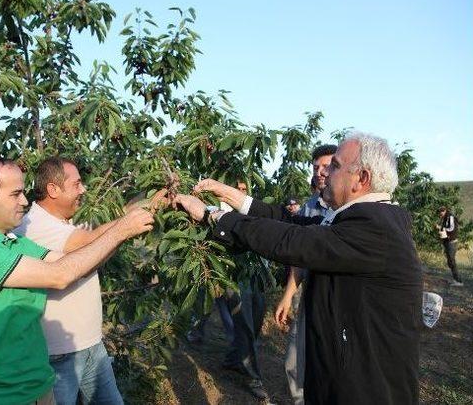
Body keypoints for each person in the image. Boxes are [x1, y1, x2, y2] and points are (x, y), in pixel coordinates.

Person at [175, 132, 422, 404]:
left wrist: (213, 216)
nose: (325, 173)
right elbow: (289, 223)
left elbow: (292, 241)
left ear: (361, 179)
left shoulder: (373, 228)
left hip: (366, 389)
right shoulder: (361, 220)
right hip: (347, 375)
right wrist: (228, 195)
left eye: (336, 166)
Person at [0, 157, 154, 404]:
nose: (24, 201)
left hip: (38, 388)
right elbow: (60, 275)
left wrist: (122, 232)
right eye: (16, 194)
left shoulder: (16, 243)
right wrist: (121, 230)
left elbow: (72, 264)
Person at [15, 157, 165, 404]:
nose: (83, 189)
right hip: (58, 354)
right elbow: (91, 244)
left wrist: (151, 204)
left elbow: (100, 234)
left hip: (90, 345)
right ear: (53, 189)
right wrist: (126, 228)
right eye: (77, 184)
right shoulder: (35, 225)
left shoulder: (63, 220)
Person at [186, 180, 269, 400]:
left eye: (243, 189)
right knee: (244, 324)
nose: (240, 192)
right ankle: (253, 376)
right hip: (231, 276)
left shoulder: (250, 209)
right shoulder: (215, 210)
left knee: (257, 317)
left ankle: (234, 359)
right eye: (237, 188)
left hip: (252, 273)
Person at [275, 144, 336, 404]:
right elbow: (300, 257)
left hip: (337, 299)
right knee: (295, 360)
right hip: (309, 293)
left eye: (327, 166)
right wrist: (288, 295)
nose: (320, 172)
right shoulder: (309, 208)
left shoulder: (350, 209)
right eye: (316, 167)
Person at [437, 206, 463, 286]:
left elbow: (452, 228)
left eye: (441, 211)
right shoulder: (445, 218)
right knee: (450, 261)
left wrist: (441, 228)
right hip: (448, 241)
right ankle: (455, 279)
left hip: (452, 242)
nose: (440, 213)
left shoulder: (450, 217)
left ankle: (459, 281)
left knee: (452, 261)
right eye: (439, 212)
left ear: (445, 211)